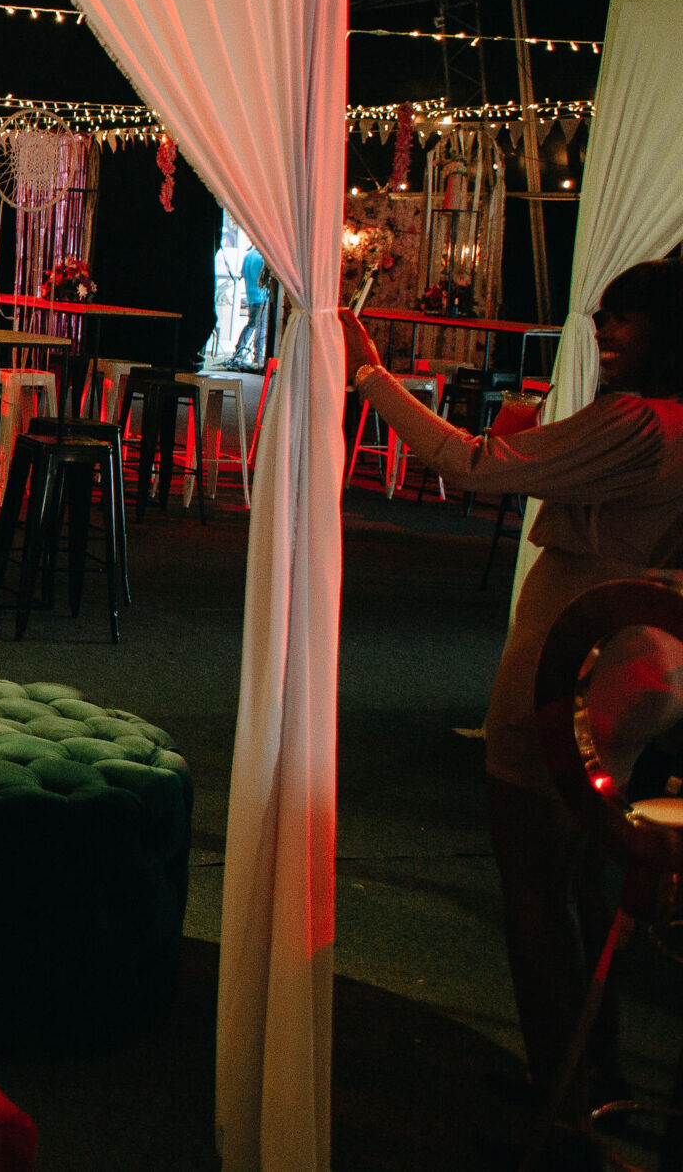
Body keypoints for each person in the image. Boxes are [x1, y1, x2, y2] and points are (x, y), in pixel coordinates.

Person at [341, 258, 683, 1109]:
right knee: (579, 878)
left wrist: (370, 375)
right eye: (602, 315)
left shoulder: (639, 422)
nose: (603, 330)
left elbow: (467, 463)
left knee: (533, 879)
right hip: (634, 663)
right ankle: (590, 1068)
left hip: (571, 663)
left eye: (624, 317)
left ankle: (556, 1095)